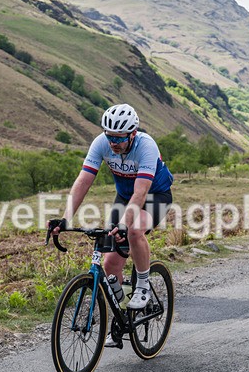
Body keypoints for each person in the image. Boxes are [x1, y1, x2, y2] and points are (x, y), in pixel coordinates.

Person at [48, 104, 174, 344]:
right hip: (125, 198)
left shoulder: (146, 146)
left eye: (119, 138)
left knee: (135, 230)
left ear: (132, 134)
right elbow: (84, 181)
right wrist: (65, 218)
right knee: (110, 264)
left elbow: (140, 192)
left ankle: (143, 286)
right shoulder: (101, 143)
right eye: (110, 136)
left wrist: (124, 226)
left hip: (155, 196)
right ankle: (122, 317)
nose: (113, 142)